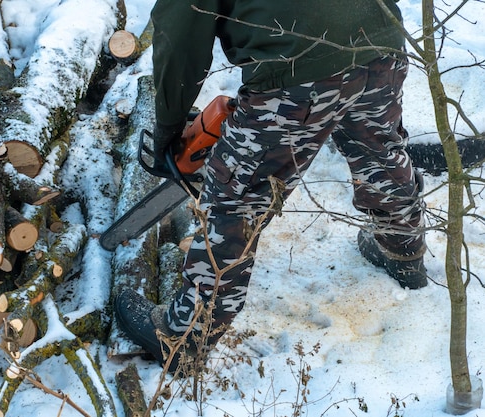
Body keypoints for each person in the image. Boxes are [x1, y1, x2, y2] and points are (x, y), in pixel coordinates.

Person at [115, 0, 428, 373]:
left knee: (235, 196)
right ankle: (403, 252)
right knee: (380, 150)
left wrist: (168, 124)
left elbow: (180, 36)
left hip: (298, 71)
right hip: (382, 45)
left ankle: (185, 337)